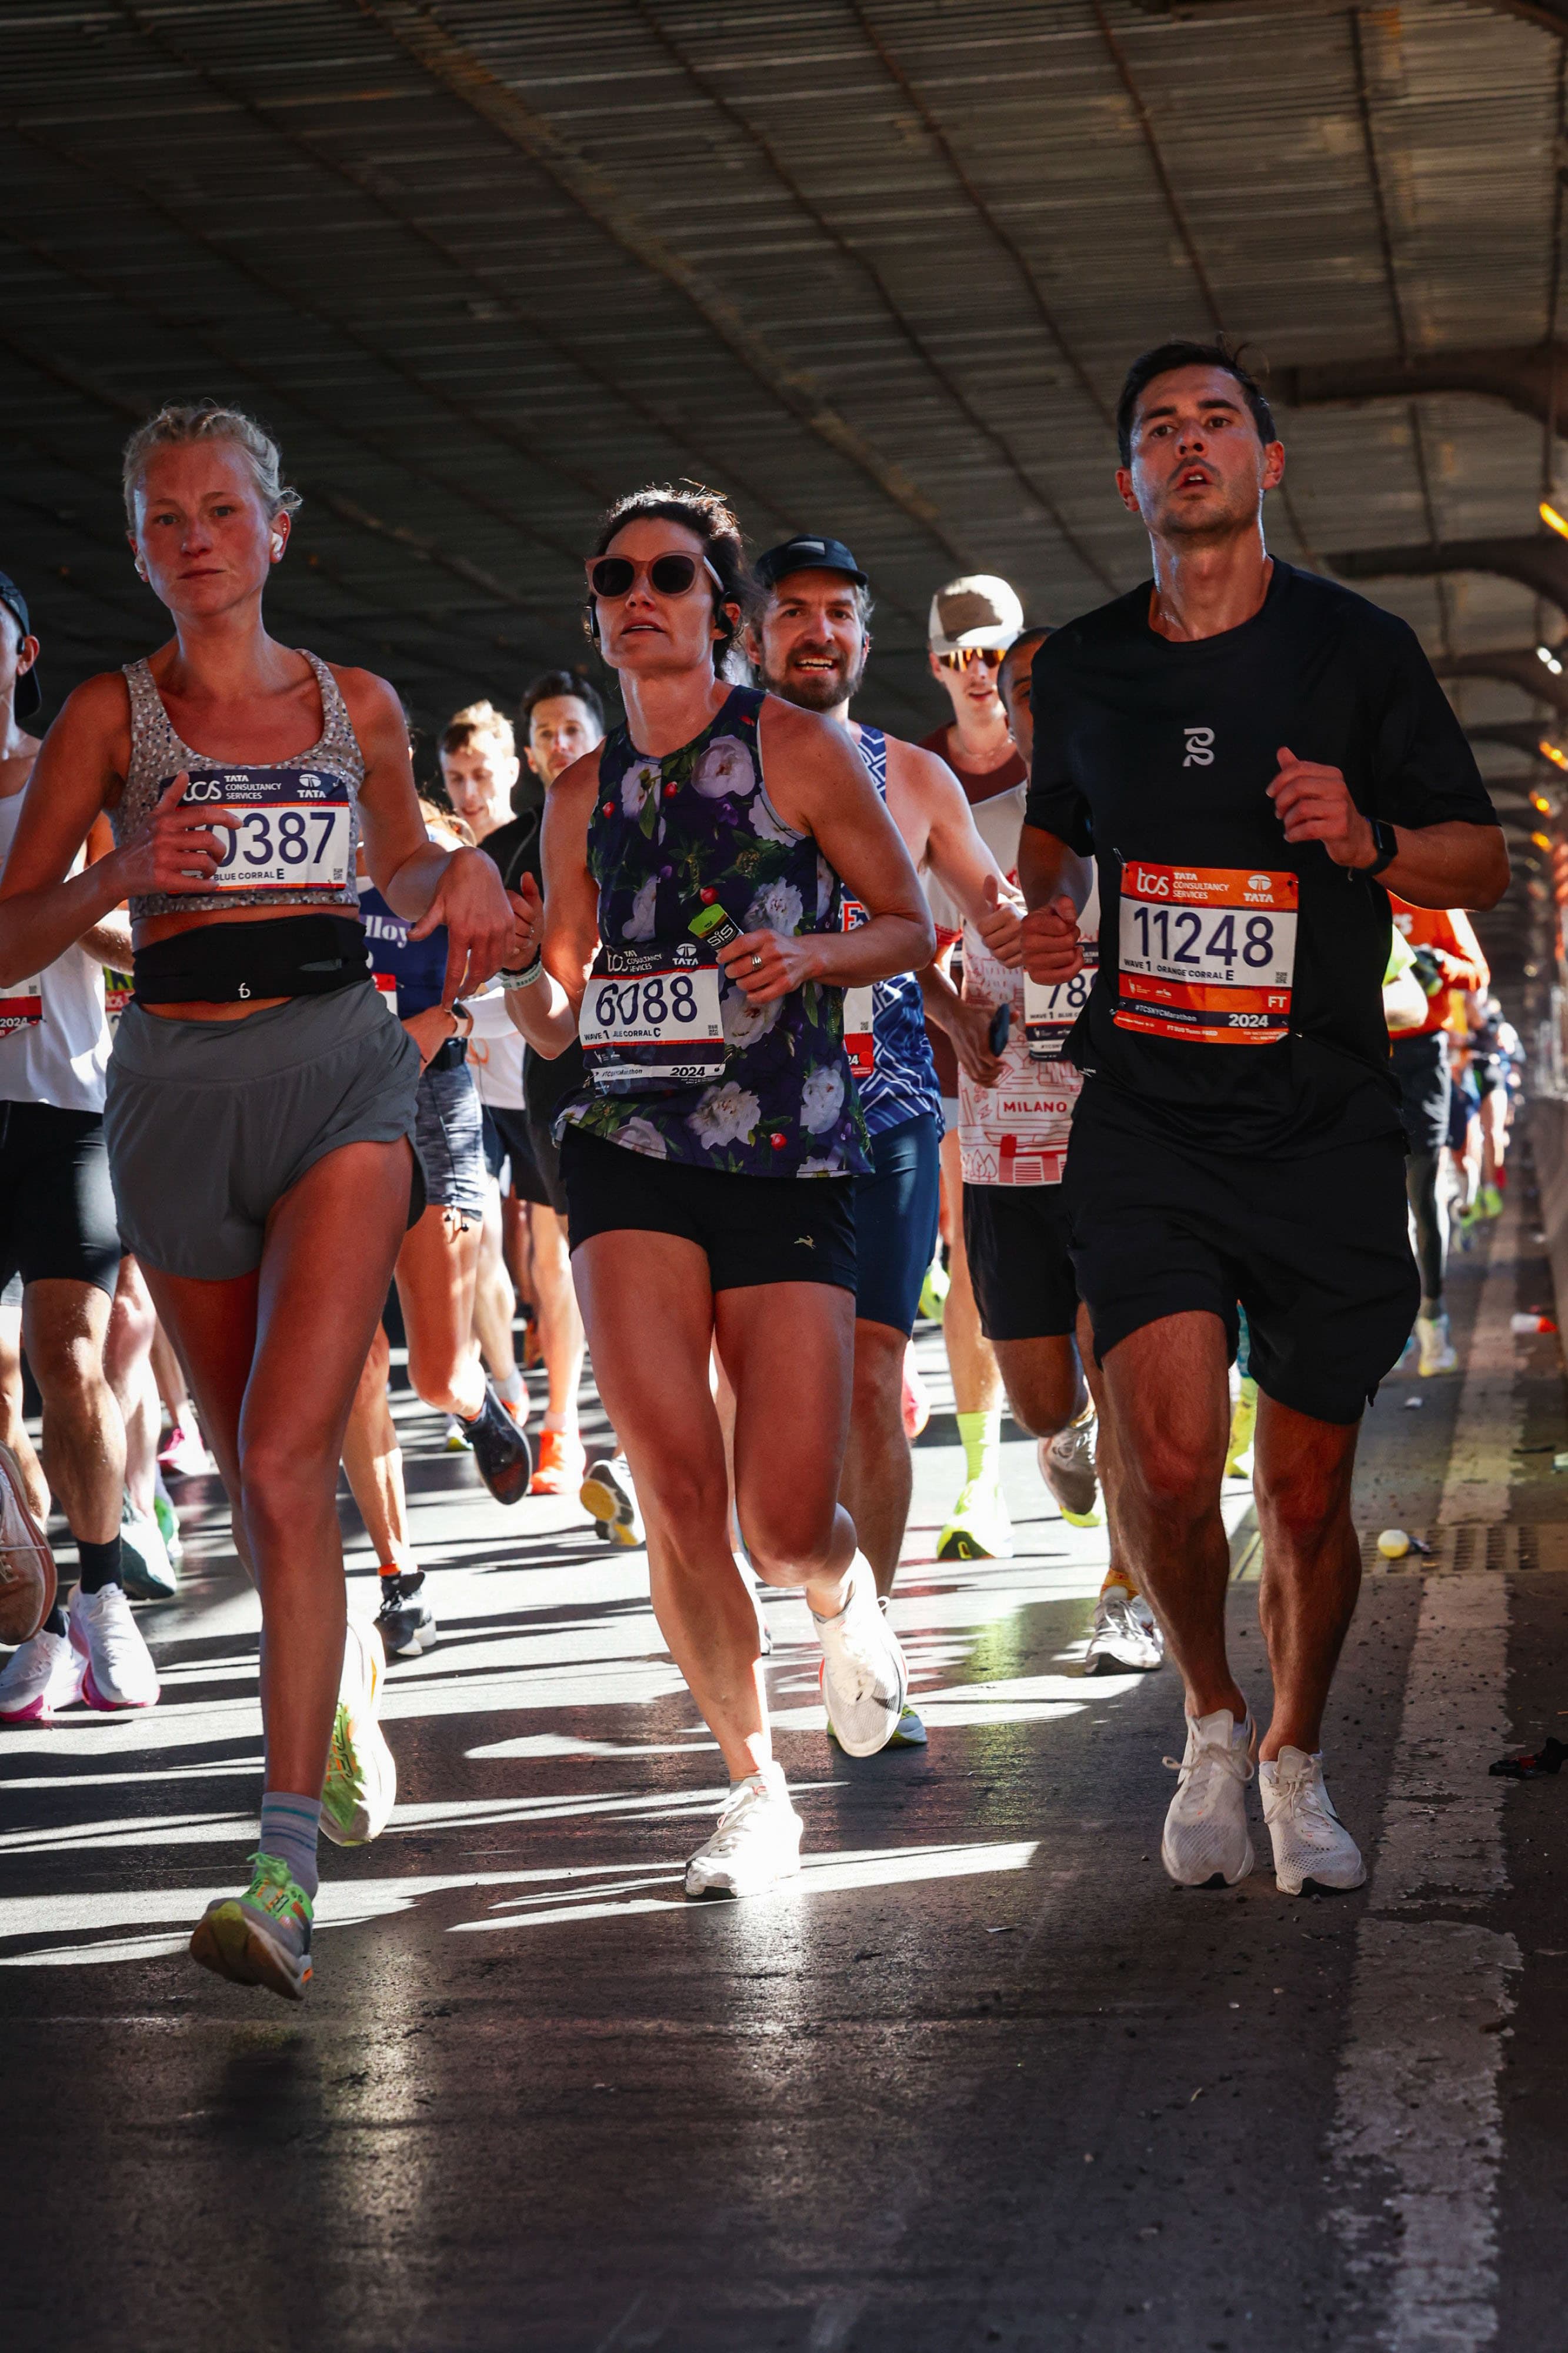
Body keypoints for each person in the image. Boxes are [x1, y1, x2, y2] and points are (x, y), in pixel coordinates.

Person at [0, 401, 516, 1996]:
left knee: (290, 1458)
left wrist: (462, 873)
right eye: (165, 517)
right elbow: (10, 932)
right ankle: (337, 1678)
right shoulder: (109, 714)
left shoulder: (355, 703)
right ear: (139, 549)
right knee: (250, 1468)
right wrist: (116, 873)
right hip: (173, 1096)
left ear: (277, 528)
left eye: (220, 509)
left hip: (339, 1075)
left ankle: (281, 1876)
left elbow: (402, 869)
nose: (195, 537)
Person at [1019, 340, 1506, 1895]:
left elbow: (1479, 861)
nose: (1189, 444)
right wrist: (1046, 910)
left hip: (1319, 1117)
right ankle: (1210, 1718)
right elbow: (1050, 840)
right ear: (1128, 480)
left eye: (1217, 420)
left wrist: (1362, 836)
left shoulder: (1358, 652)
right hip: (1150, 1116)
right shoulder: (1082, 666)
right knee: (1167, 1465)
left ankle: (1295, 1755)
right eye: (1158, 427)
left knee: (1301, 1493)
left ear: (1265, 462)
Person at [504, 483, 934, 1896]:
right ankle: (754, 1786)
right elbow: (557, 1015)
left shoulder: (797, 748)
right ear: (596, 610)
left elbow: (905, 923)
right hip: (625, 1147)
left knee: (779, 1516)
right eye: (615, 576)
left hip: (786, 1147)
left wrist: (805, 956)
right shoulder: (576, 794)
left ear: (720, 611)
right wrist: (509, 967)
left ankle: (841, 1589)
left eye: (670, 575)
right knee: (677, 1488)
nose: (640, 594)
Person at [746, 535, 1023, 1700]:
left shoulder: (913, 776)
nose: (818, 631)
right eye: (792, 611)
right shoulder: (703, 771)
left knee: (871, 1373)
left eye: (839, 613)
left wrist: (1082, 921)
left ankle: (869, 1644)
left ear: (866, 639)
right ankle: (802, 1587)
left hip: (887, 1108)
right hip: (737, 1117)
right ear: (752, 633)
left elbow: (996, 908)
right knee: (758, 1393)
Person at [950, 625, 1163, 1675]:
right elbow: (899, 941)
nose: (1040, 702)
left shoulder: (1153, 817)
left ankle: (1125, 1594)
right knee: (1044, 1397)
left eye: (1059, 684)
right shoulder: (970, 824)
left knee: (1121, 1374)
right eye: (1023, 687)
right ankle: (1067, 1437)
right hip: (1004, 1154)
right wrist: (951, 1016)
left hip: (1123, 1146)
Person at [0, 569, 162, 1724]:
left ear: (23, 653)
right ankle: (40, 1613)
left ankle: (106, 1597)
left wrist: (59, 905)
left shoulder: (68, 781)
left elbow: (144, 943)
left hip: (62, 1104)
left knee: (69, 1358)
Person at [345, 797, 534, 1659]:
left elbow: (510, 991)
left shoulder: (444, 858)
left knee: (433, 1374)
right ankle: (401, 1580)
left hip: (430, 1104)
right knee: (355, 1365)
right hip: (329, 1112)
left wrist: (448, 1020)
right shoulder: (294, 867)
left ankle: (476, 1403)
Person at [442, 695, 592, 1496]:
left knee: (557, 1253)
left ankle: (565, 1420)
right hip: (474, 1087)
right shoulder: (460, 854)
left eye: (572, 732)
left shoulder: (625, 823)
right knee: (474, 1241)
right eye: (454, 778)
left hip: (559, 1070)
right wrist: (447, 1014)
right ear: (531, 754)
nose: (468, 791)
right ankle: (504, 1383)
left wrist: (467, 1011)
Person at [913, 576, 1033, 1559]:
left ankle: (1079, 1434)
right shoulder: (915, 778)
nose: (979, 672)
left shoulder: (1067, 755)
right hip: (976, 1055)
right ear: (936, 667)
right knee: (971, 1253)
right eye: (961, 657)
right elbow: (902, 927)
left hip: (1084, 1055)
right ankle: (981, 1481)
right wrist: (950, 1007)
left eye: (994, 653)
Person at [1385, 895, 1489, 1372]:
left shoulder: (1434, 900)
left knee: (1421, 1192)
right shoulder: (1347, 887)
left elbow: (1477, 973)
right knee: (1372, 1200)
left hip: (1422, 1058)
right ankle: (1389, 1326)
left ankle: (1434, 1317)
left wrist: (1439, 963)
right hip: (1360, 1055)